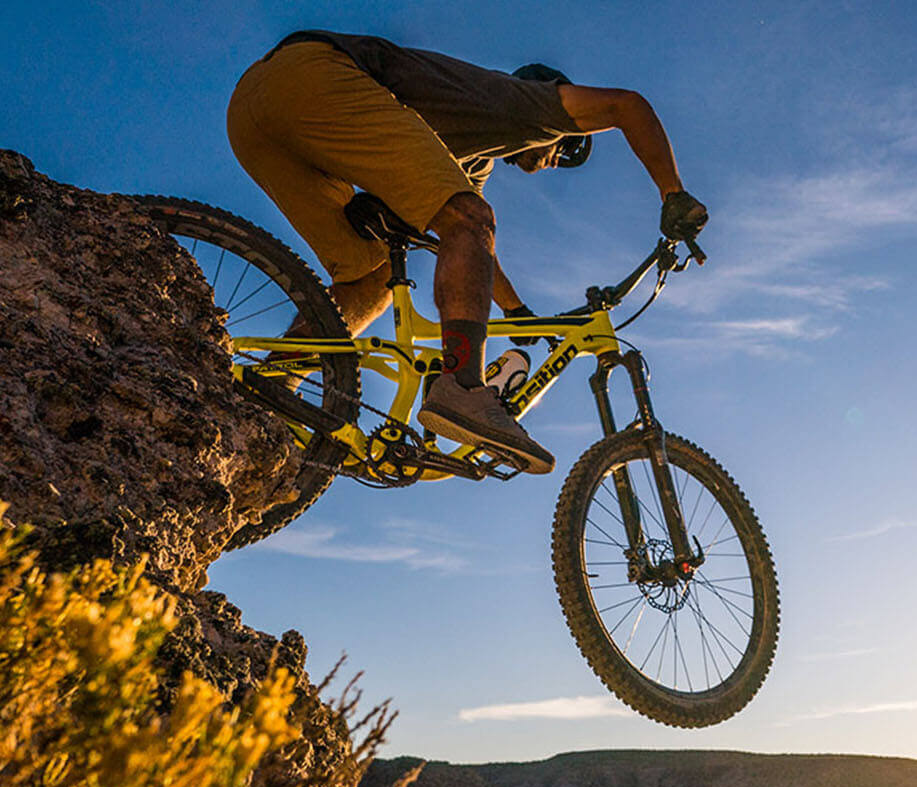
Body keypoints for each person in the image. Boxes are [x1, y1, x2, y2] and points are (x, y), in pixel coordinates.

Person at [226, 30, 708, 475]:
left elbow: (470, 241)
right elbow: (628, 105)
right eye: (568, 150)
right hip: (314, 76)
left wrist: (515, 309)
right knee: (468, 216)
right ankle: (461, 387)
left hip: (254, 110)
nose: (555, 162)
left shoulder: (473, 158)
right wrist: (673, 194)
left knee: (370, 274)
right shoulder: (524, 105)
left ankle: (274, 385)